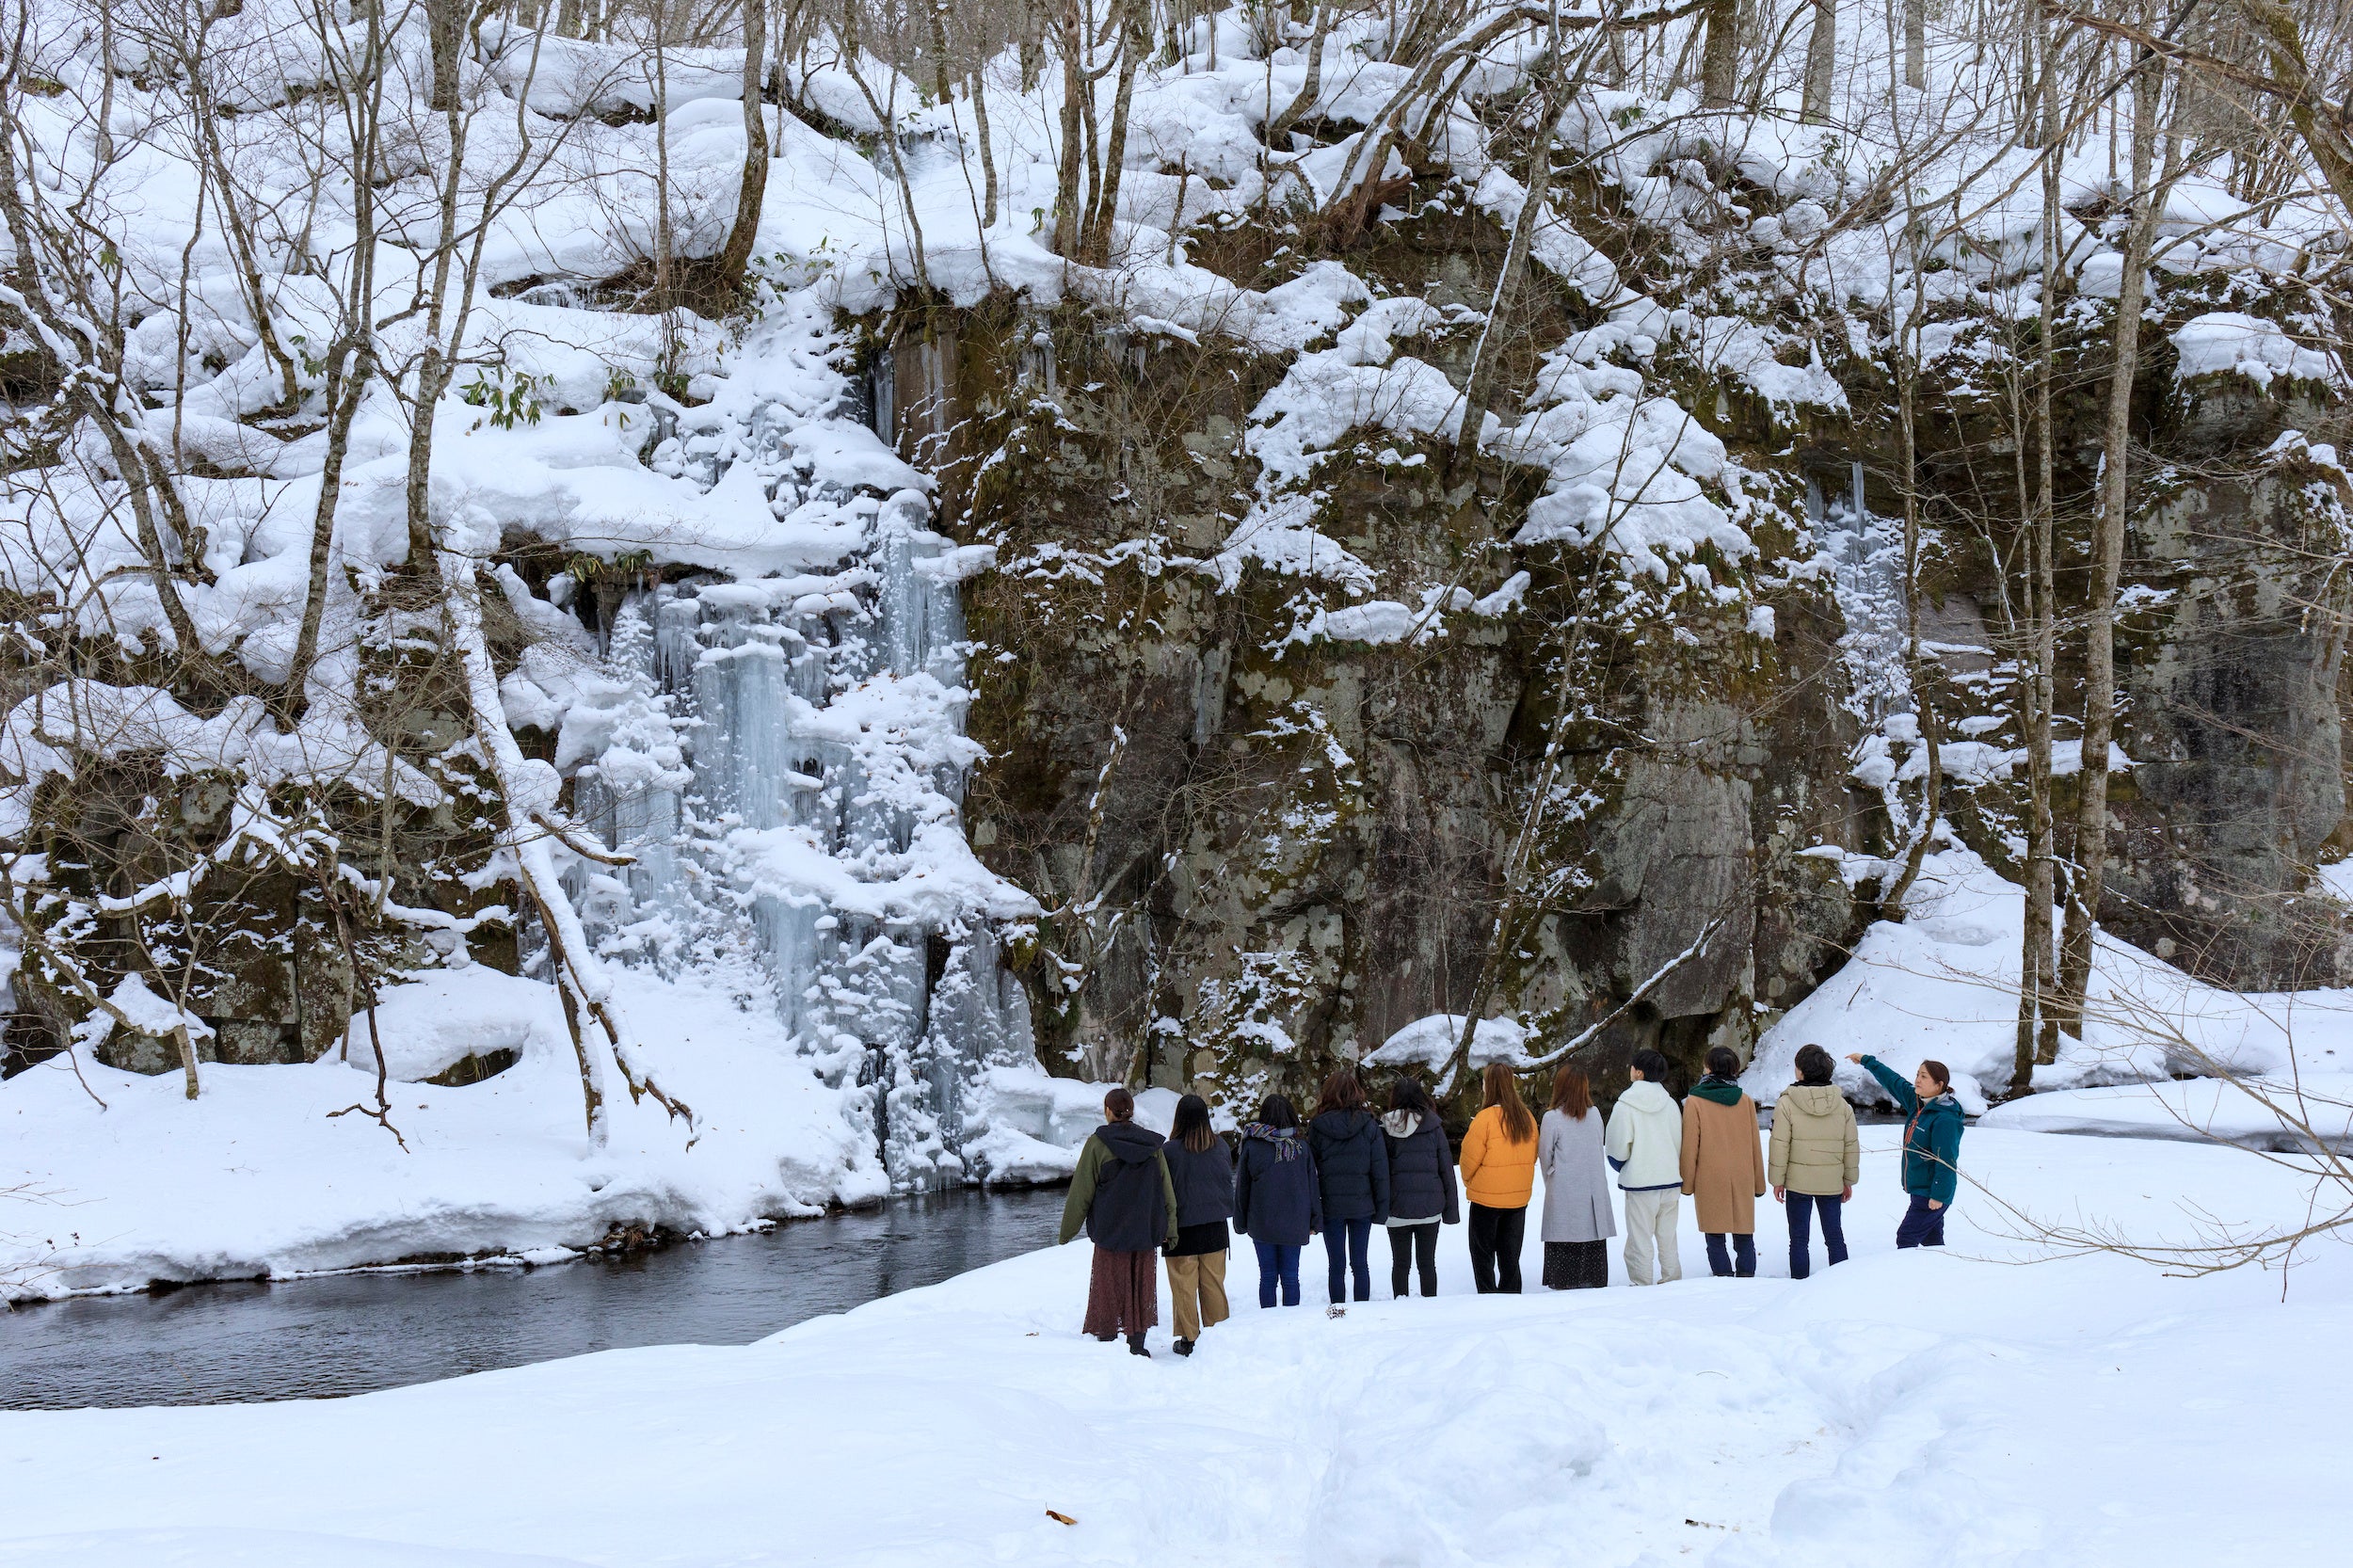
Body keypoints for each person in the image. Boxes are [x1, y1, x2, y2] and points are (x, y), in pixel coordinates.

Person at [1056, 1086, 1178, 1355]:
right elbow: (1166, 1189)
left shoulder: (1097, 1145)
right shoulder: (1152, 1145)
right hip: (1145, 1230)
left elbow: (1081, 1193)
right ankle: (1137, 1345)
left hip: (1110, 1232)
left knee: (1109, 1285)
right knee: (1141, 1286)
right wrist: (1170, 1228)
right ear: (1131, 1111)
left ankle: (1109, 1344)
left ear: (1108, 1111)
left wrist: (1066, 1232)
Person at [1850, 1052, 1964, 1247]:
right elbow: (1894, 1081)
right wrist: (1867, 1062)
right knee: (1932, 1241)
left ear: (1939, 1085)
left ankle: (1906, 1275)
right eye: (1918, 1074)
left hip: (1931, 1192)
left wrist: (1938, 1194)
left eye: (1924, 1076)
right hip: (1920, 1189)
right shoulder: (1917, 1102)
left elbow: (1947, 1159)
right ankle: (1939, 1273)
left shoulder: (1945, 1119)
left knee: (1906, 1237)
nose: (1917, 1080)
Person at [1769, 1044, 1859, 1278]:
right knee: (1835, 1237)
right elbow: (1850, 1145)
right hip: (1831, 1182)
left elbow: (1780, 1145)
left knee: (1799, 1240)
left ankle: (1799, 1286)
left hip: (1797, 1183)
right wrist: (1848, 1180)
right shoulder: (1843, 1105)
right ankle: (1841, 1281)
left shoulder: (1787, 1103)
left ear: (1800, 1071)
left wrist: (1777, 1180)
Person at [1307, 1068, 1389, 1311]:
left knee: (1336, 1264)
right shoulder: (1370, 1125)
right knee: (1360, 1263)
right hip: (1362, 1204)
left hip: (1331, 1204)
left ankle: (1338, 1310)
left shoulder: (1318, 1126)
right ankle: (1362, 1311)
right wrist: (1381, 1209)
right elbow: (1380, 1171)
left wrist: (1313, 1211)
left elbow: (1311, 1171)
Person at [1681, 1045, 1767, 1278]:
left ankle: (1723, 1279)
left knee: (1714, 1234)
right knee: (1744, 1232)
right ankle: (1747, 1277)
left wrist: (1686, 1184)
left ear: (1708, 1069)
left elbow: (1690, 1147)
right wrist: (1759, 1183)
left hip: (1710, 1175)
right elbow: (1754, 1145)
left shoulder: (1695, 1102)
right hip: (1742, 1174)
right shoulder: (1746, 1101)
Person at [1231, 1092, 1322, 1307]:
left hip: (1262, 1222)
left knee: (1268, 1277)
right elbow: (1312, 1186)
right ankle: (1289, 1323)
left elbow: (1242, 1188)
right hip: (1295, 1221)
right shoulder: (1301, 1147)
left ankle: (1268, 1321)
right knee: (1291, 1278)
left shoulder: (1252, 1146)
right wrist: (1315, 1221)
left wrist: (1240, 1222)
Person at [1160, 1094, 1234, 1356]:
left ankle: (1189, 1337)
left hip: (1181, 1230)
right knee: (1213, 1284)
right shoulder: (1222, 1147)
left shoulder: (1168, 1152)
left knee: (1183, 1287)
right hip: (1215, 1226)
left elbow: (1163, 1193)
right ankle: (1218, 1334)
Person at [1605, 1048, 1684, 1286]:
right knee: (1668, 1238)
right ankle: (1672, 1280)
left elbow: (1616, 1147)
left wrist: (1625, 1166)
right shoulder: (1670, 1104)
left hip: (1640, 1184)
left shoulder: (1625, 1105)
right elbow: (1678, 1141)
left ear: (1638, 1072)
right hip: (1670, 1180)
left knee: (1640, 1238)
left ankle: (1642, 1285)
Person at [1458, 1062, 1538, 1293]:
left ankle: (1487, 1298)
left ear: (1489, 1086)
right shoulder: (1527, 1119)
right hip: (1517, 1200)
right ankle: (1511, 1298)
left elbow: (1467, 1162)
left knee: (1483, 1256)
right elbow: (1532, 1157)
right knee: (1510, 1258)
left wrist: (1471, 1183)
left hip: (1486, 1201)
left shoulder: (1484, 1120)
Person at [1538, 1064, 1616, 1289]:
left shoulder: (1552, 1118)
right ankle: (1592, 1277)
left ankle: (1564, 1279)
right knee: (1591, 1231)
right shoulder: (1595, 1115)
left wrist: (1552, 1179)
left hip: (1564, 1189)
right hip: (1593, 1188)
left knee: (1565, 1233)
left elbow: (1545, 1155)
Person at [1381, 1077, 1459, 1297]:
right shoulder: (1433, 1127)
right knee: (1427, 1264)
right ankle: (1430, 1306)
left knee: (1400, 1264)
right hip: (1430, 1208)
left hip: (1397, 1208)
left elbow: (1380, 1173)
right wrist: (1451, 1212)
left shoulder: (1385, 1129)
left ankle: (1400, 1302)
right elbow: (1446, 1171)